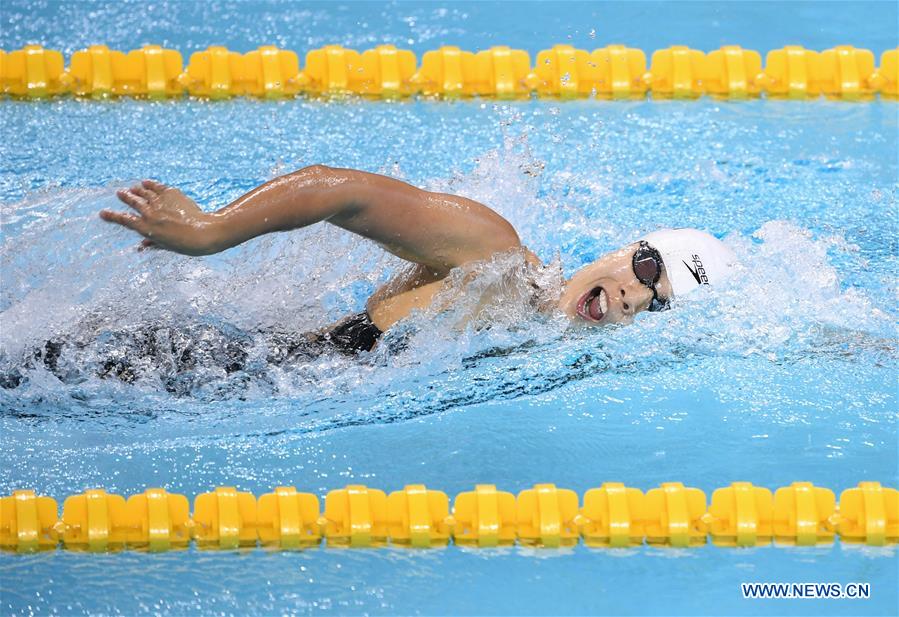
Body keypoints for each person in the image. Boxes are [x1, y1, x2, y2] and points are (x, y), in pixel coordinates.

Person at [1, 165, 738, 391]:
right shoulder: (495, 256)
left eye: (659, 304)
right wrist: (208, 234)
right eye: (647, 269)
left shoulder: (550, 353)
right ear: (621, 248)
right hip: (203, 367)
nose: (636, 296)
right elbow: (337, 191)